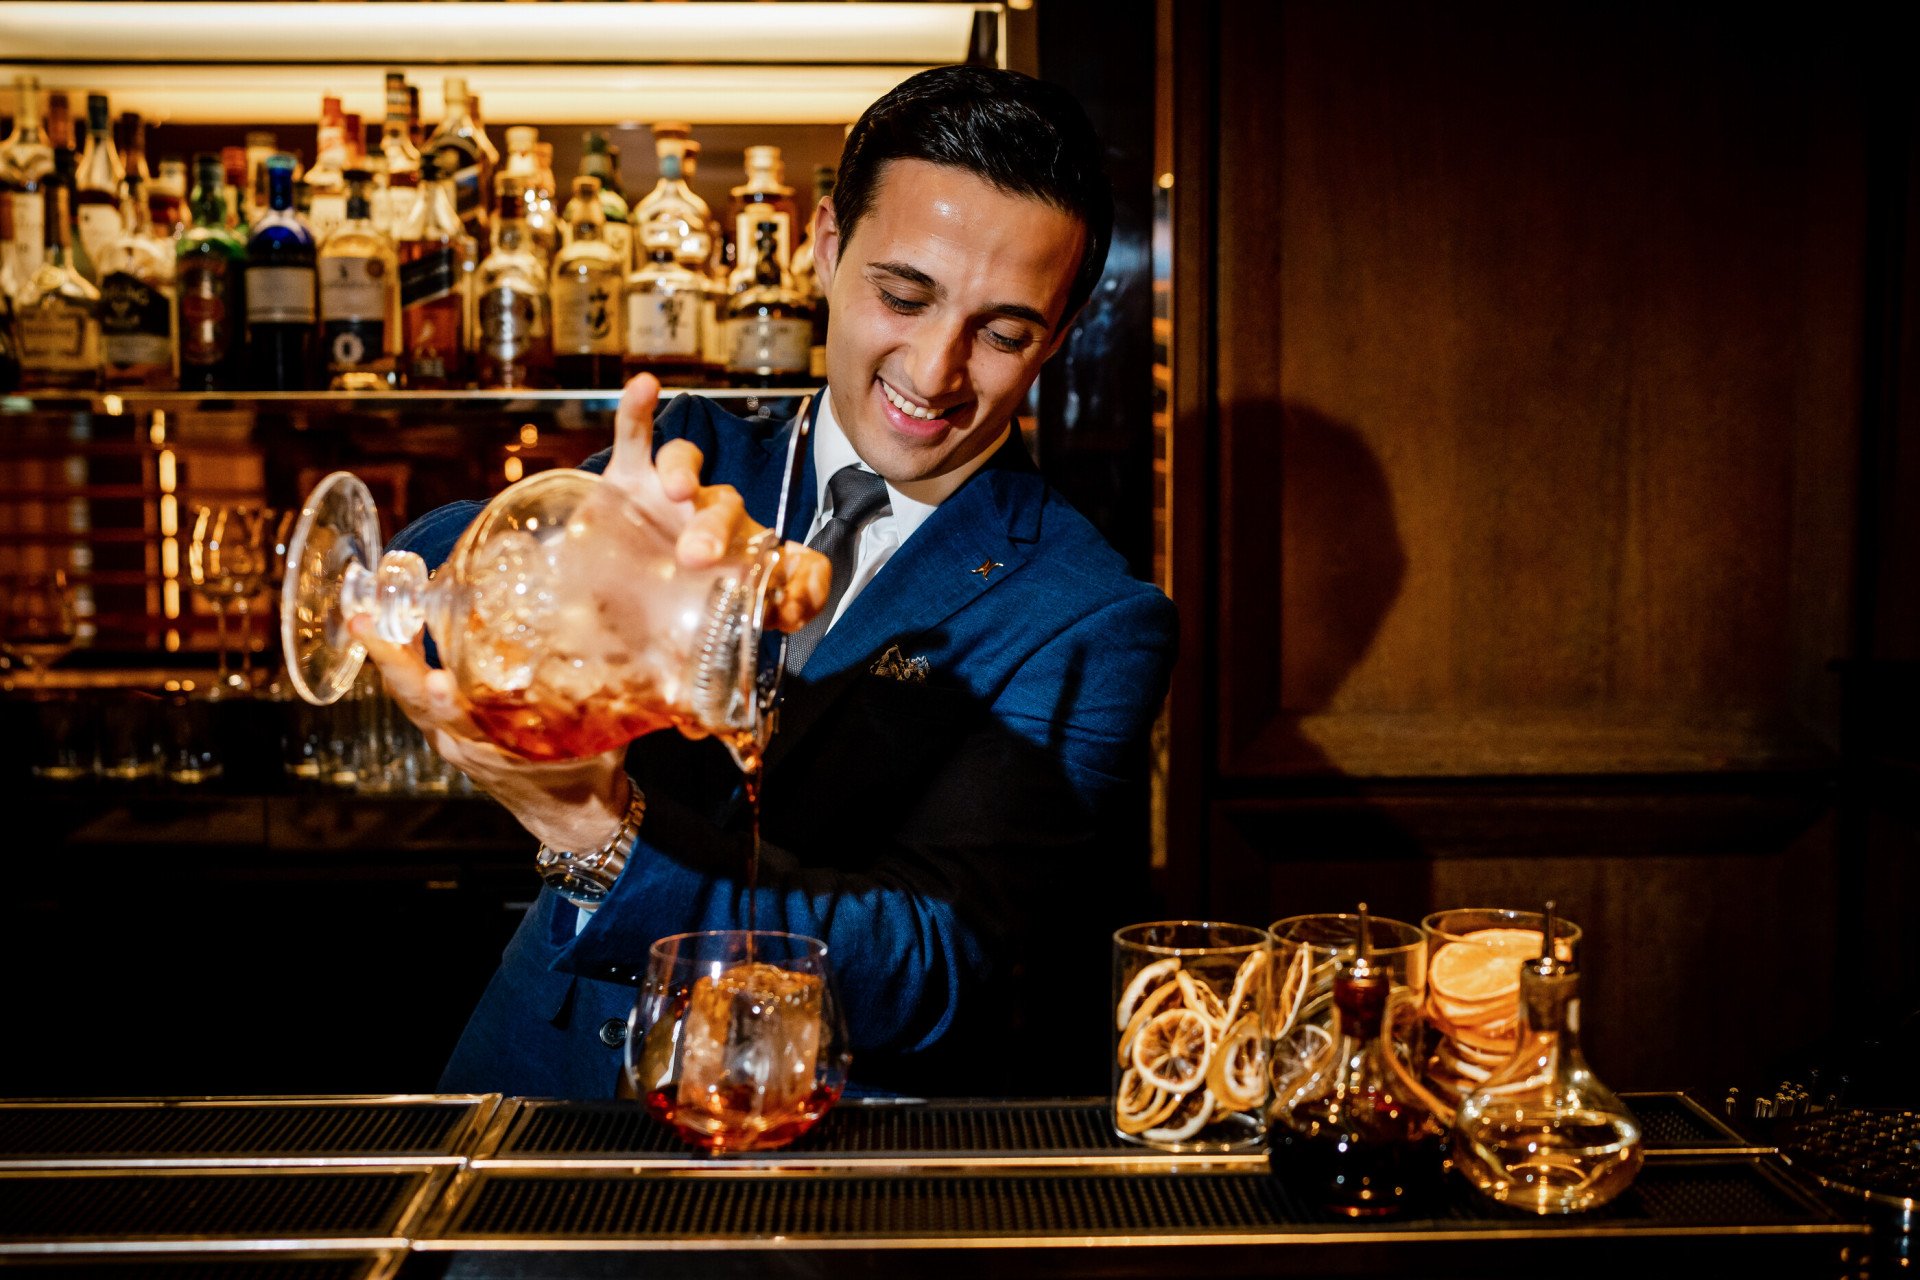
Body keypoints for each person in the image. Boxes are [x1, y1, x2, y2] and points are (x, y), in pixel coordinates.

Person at [354, 65, 1177, 1098]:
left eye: (1003, 332)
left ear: (1057, 334)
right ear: (826, 245)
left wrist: (602, 838)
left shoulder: (1090, 614)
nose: (933, 371)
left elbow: (938, 960)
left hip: (819, 1159)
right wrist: (582, 555)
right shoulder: (691, 448)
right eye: (903, 295)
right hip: (544, 1085)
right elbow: (419, 571)